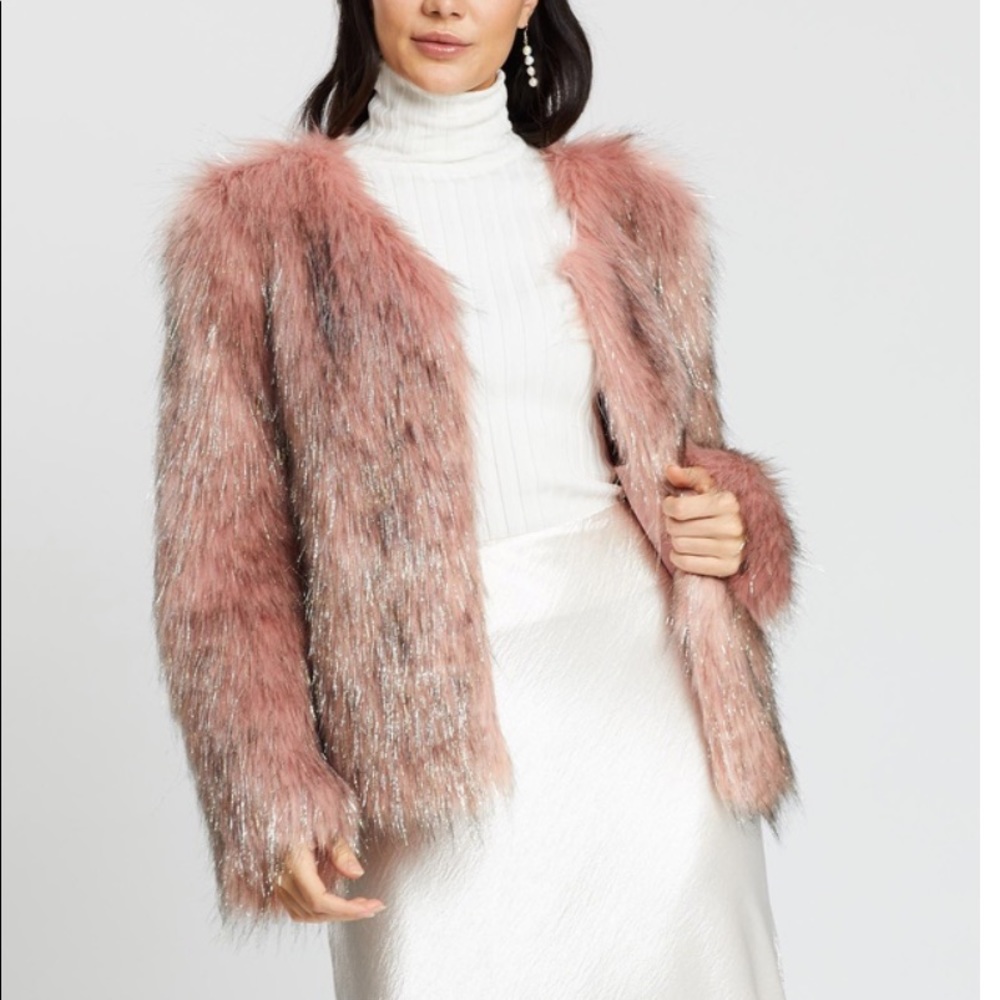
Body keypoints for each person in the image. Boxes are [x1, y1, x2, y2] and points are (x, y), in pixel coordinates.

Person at [155, 0, 800, 996]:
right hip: (415, 740)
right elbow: (219, 555)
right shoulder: (250, 228)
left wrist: (736, 520)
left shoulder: (641, 212)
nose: (446, 4)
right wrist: (270, 786)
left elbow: (693, 460)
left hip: (645, 705)